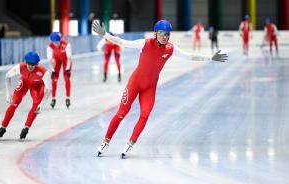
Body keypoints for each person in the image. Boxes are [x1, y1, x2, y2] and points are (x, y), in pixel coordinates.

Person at [92, 20, 228, 158]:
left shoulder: (171, 48)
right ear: (155, 33)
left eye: (168, 34)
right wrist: (105, 35)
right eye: (163, 33)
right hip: (135, 83)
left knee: (144, 115)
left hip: (150, 88)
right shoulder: (144, 43)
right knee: (122, 113)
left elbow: (190, 56)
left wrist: (210, 58)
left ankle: (131, 143)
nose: (165, 37)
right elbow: (122, 42)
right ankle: (106, 141)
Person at [0, 51, 51, 140]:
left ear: (37, 64)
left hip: (37, 87)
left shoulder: (44, 73)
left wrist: (42, 104)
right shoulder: (20, 67)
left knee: (36, 105)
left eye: (33, 65)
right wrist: (8, 93)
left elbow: (49, 89)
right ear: (25, 62)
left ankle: (26, 128)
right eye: (29, 64)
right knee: (14, 103)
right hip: (24, 83)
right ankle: (3, 127)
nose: (30, 67)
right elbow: (7, 76)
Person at [47, 32, 72, 109]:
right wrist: (52, 70)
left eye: (58, 42)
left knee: (67, 79)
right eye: (55, 42)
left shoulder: (66, 44)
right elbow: (49, 59)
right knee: (54, 80)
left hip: (66, 61)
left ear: (60, 40)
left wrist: (67, 69)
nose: (56, 44)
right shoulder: (50, 46)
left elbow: (69, 58)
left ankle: (68, 98)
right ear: (52, 41)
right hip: (56, 61)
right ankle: (53, 98)